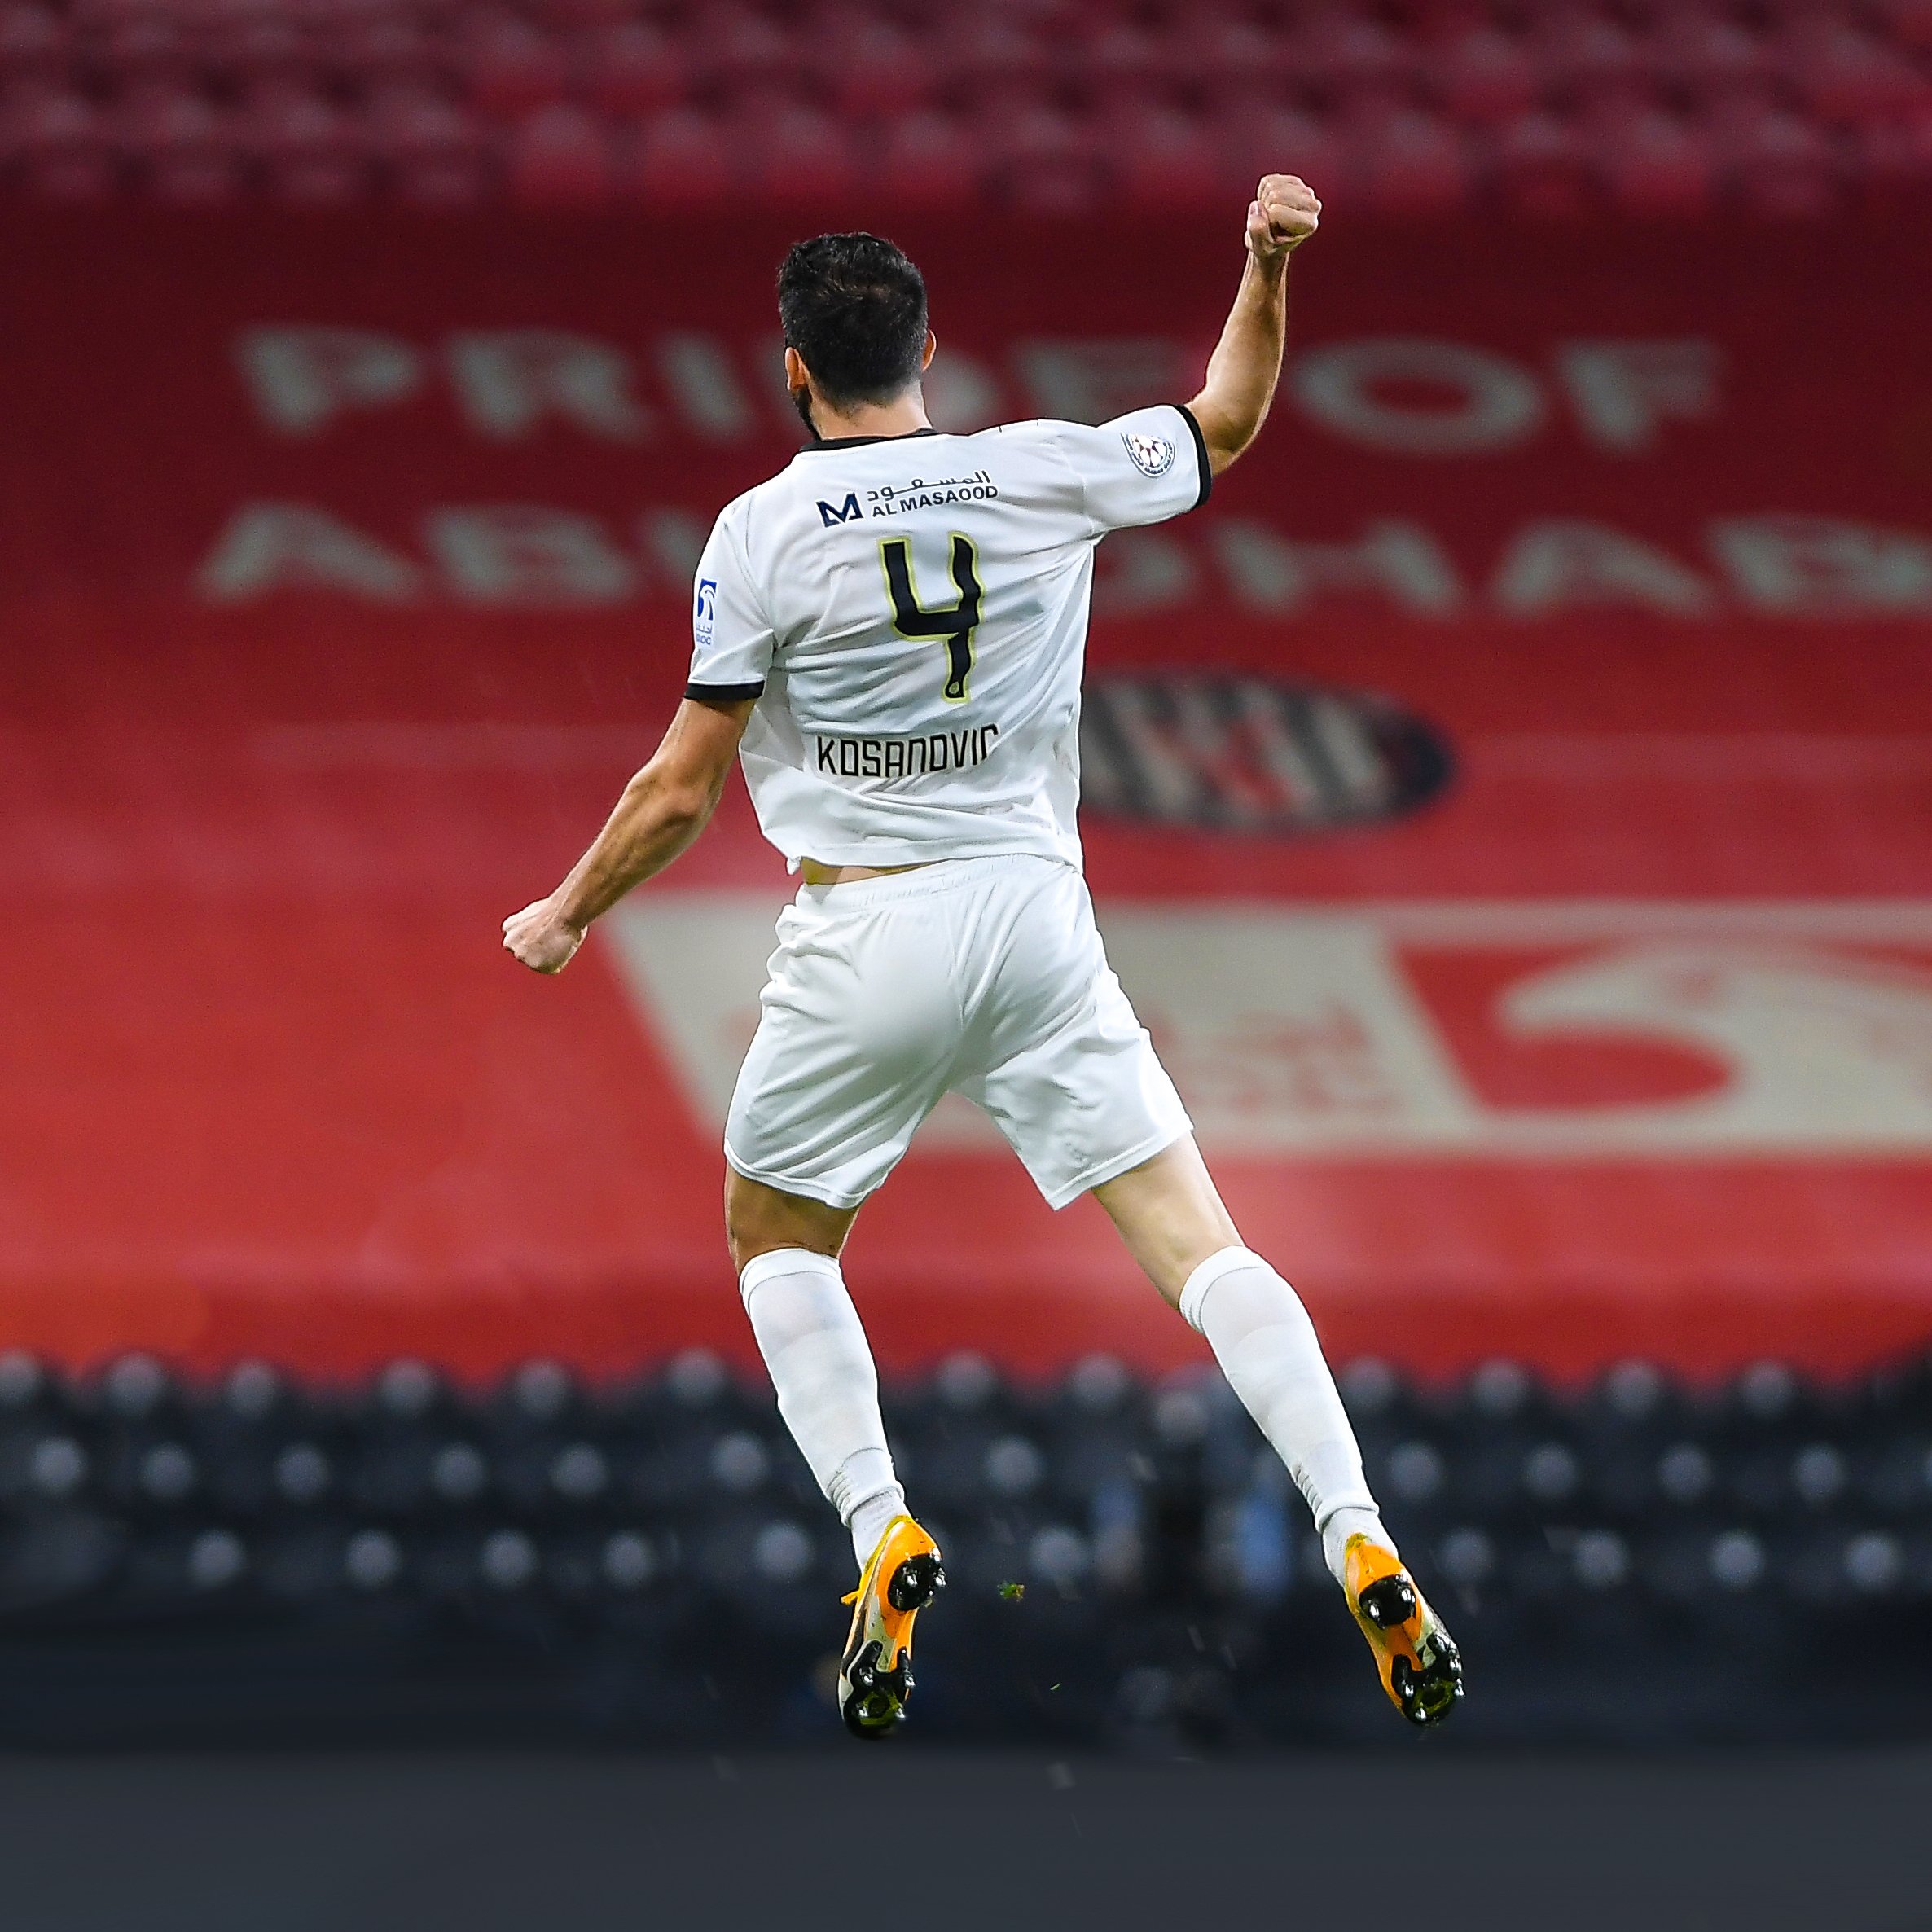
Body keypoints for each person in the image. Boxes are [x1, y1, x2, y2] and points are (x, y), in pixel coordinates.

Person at [503, 178, 1463, 1738]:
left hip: (863, 923)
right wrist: (1264, 262)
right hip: (1031, 914)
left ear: (794, 369)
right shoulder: (1038, 470)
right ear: (929, 351)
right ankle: (1358, 1526)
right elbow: (1225, 420)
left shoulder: (757, 533)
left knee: (777, 1238)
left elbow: (680, 789)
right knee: (1200, 1247)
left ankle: (881, 1526)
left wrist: (566, 912)